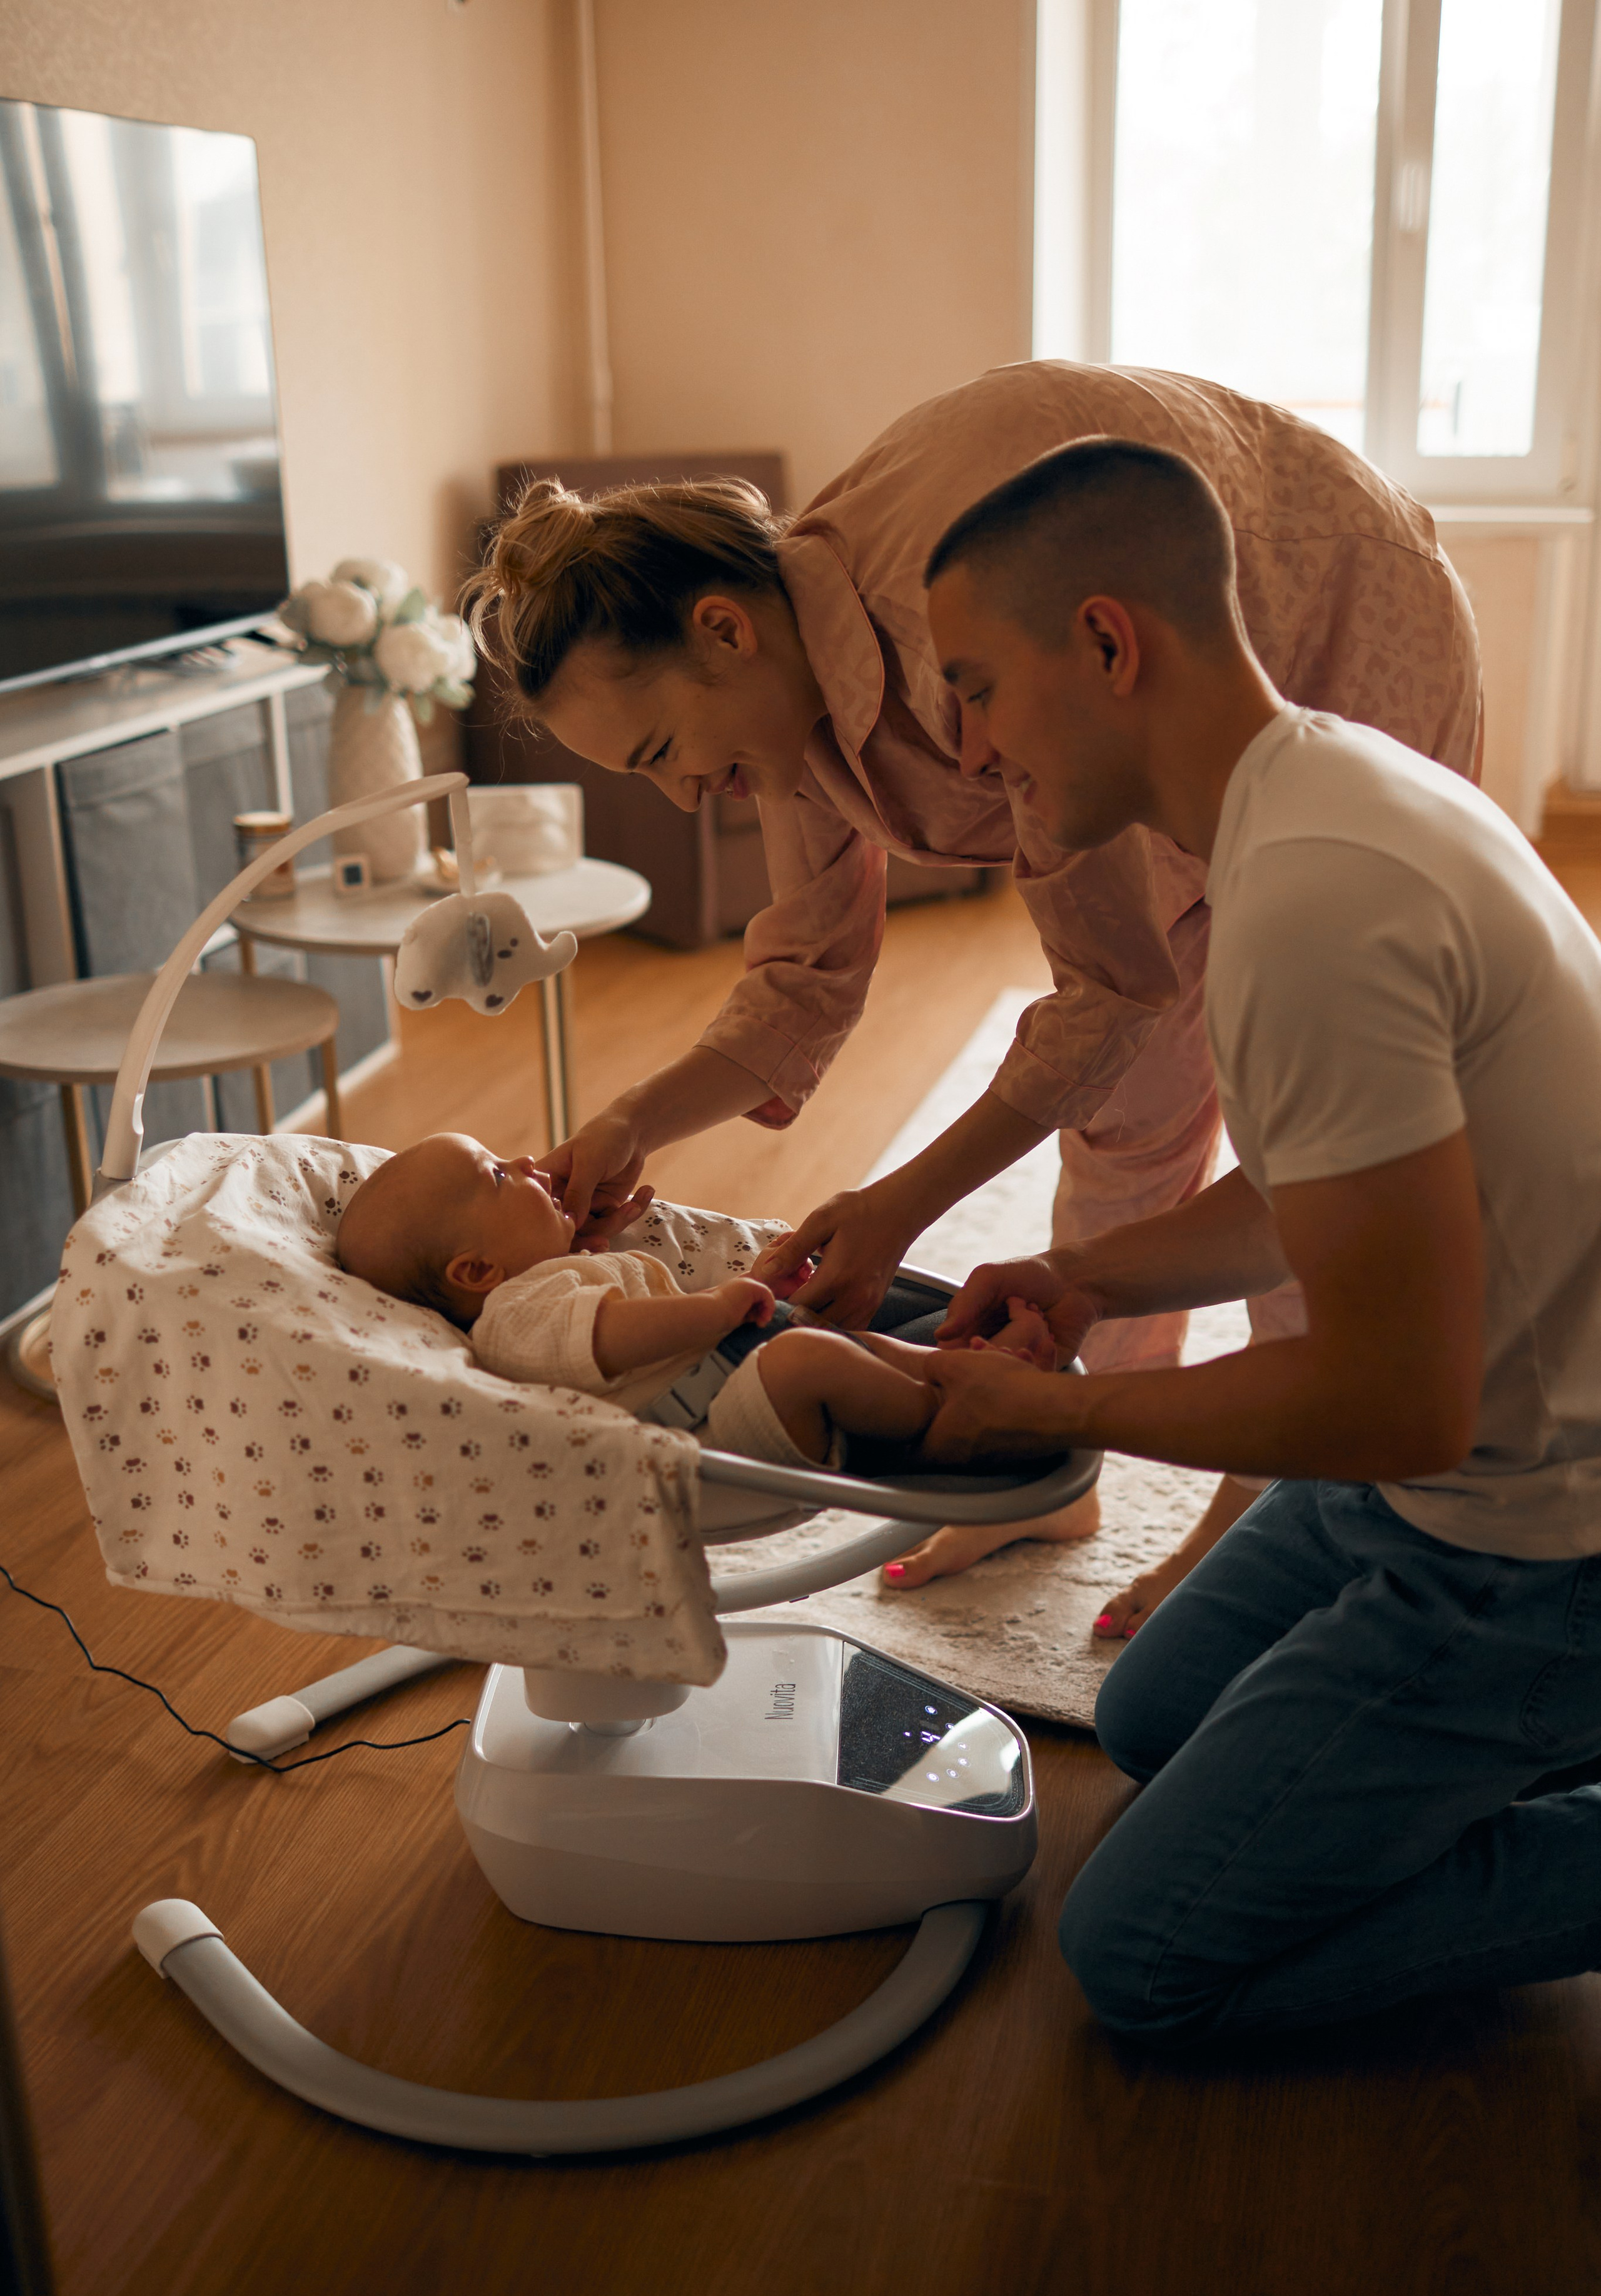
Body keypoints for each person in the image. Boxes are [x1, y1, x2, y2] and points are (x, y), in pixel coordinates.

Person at [463, 359, 1480, 1621]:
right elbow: (805, 975)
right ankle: (1064, 1466)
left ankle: (1271, 1486)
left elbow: (1105, 991)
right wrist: (634, 1121)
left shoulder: (964, 644)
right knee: (1130, 1114)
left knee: (1291, 1108)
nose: (682, 794)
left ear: (722, 630)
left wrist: (897, 1201)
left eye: (667, 752)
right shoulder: (783, 704)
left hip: (1329, 601)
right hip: (1143, 650)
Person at [905, 435, 1601, 2046]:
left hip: (1529, 1549)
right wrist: (1082, 1280)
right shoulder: (1317, 786)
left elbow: (1389, 1407)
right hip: (1443, 1472)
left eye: (978, 683)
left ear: (1103, 641)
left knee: (1141, 1956)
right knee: (1151, 1712)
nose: (969, 739)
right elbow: (1313, 1189)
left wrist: (1066, 1409)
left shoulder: (1311, 899)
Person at [335, 1133, 1054, 1474]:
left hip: (737, 1372)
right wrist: (714, 1306)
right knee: (808, 1355)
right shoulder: (512, 1317)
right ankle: (944, 1426)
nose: (525, 1162)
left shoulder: (546, 1277)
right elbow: (607, 1333)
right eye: (498, 1174)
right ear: (478, 1269)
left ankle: (953, 1368)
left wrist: (596, 1245)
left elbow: (599, 1297)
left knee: (850, 1346)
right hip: (720, 1426)